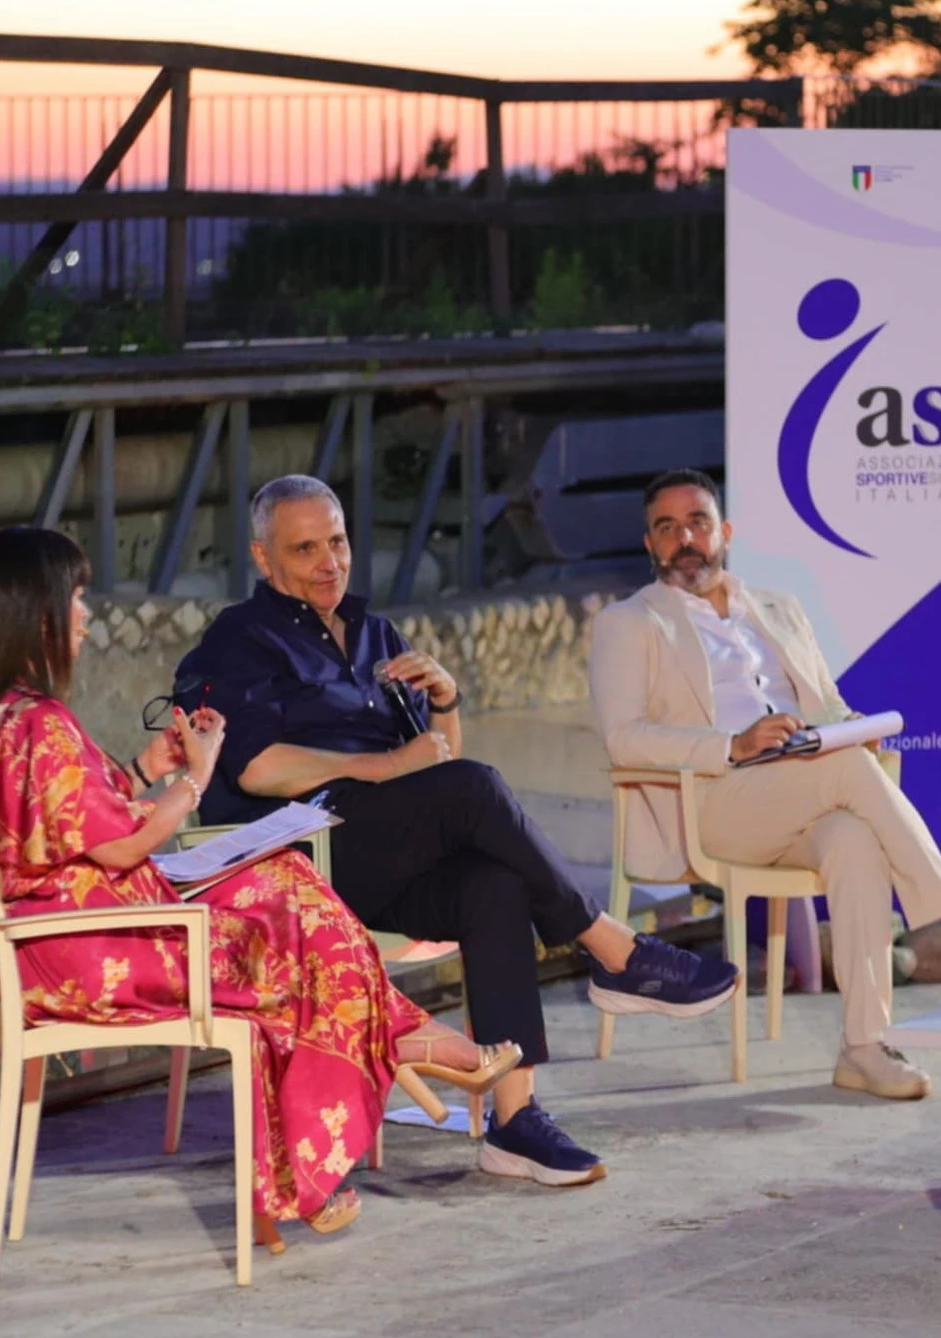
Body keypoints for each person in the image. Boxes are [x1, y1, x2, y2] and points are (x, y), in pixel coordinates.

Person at [0, 526, 520, 1255]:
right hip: (102, 950)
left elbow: (76, 819)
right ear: (38, 611)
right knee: (292, 926)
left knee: (286, 882)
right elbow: (120, 843)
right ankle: (361, 1100)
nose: (86, 614)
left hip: (73, 938)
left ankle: (376, 1079)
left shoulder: (3, 717)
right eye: (77, 598)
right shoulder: (40, 723)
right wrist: (196, 776)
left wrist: (147, 763)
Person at [175, 475, 737, 1188]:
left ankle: (515, 1121)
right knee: (477, 789)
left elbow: (439, 762)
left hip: (386, 849)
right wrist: (387, 763)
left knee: (493, 885)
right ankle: (611, 949)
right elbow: (256, 767)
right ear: (263, 558)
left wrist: (445, 702)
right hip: (305, 862)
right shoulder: (240, 638)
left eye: (339, 542)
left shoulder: (375, 633)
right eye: (305, 548)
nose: (329, 562)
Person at [589, 469, 941, 1102]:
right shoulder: (630, 622)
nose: (685, 538)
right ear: (650, 545)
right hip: (713, 800)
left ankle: (864, 1047)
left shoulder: (777, 608)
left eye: (697, 522)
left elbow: (828, 705)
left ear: (724, 533)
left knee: (855, 838)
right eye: (667, 528)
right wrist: (734, 743)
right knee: (844, 773)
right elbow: (624, 737)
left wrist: (848, 731)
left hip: (805, 788)